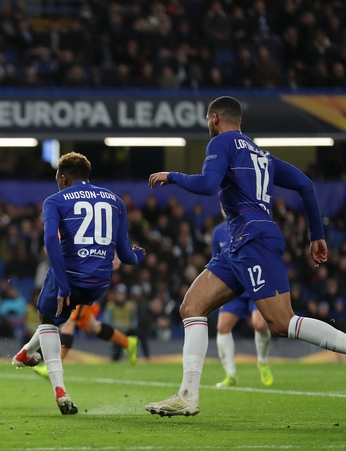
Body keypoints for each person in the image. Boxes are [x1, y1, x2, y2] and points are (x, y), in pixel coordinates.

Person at [145, 96, 345, 417]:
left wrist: (173, 176)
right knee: (192, 307)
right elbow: (306, 186)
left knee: (281, 323)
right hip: (241, 242)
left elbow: (209, 185)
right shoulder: (263, 156)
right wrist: (317, 235)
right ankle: (187, 395)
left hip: (253, 239)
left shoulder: (221, 143)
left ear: (214, 119)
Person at [12, 152, 144, 415]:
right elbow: (127, 256)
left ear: (63, 178)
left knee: (48, 318)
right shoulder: (116, 201)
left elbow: (51, 242)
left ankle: (59, 390)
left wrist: (62, 284)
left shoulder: (55, 201)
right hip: (99, 282)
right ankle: (25, 354)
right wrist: (140, 255)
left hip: (71, 275)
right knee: (60, 317)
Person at [211, 207, 273, 388]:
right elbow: (216, 261)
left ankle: (262, 361)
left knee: (260, 324)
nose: (224, 208)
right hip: (233, 289)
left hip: (256, 284)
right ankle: (230, 375)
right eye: (221, 205)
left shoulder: (251, 226)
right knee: (222, 327)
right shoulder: (218, 232)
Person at [32, 300, 138, 378]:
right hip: (77, 286)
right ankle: (128, 343)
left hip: (80, 286)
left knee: (69, 322)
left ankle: (52, 368)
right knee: (91, 327)